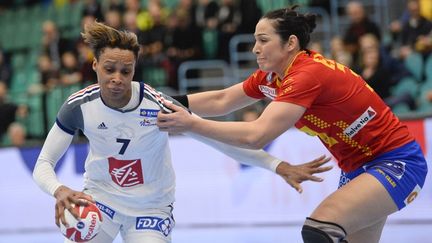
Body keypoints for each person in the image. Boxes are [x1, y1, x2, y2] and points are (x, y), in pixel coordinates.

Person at [32, 21, 332, 243]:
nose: (117, 79)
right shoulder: (78, 106)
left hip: (151, 208)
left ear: (135, 69)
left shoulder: (157, 106)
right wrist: (59, 190)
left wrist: (277, 165)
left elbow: (219, 140)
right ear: (95, 65)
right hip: (101, 202)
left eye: (126, 71)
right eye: (109, 69)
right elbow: (43, 164)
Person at [156, 6, 428, 243]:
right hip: (357, 168)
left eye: (263, 40)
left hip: (396, 163)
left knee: (319, 229)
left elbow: (257, 135)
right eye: (254, 40)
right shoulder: (273, 77)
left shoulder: (306, 74)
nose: (255, 48)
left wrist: (190, 125)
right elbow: (222, 99)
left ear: (290, 43)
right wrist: (162, 100)